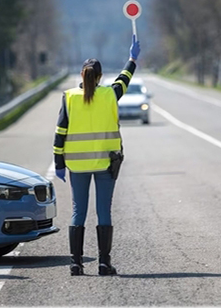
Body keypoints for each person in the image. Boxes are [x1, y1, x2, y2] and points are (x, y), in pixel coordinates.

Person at [53, 35, 140, 276]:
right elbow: (125, 79)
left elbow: (60, 133)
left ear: (82, 75)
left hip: (76, 166)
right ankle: (104, 263)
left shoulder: (69, 97)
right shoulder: (110, 94)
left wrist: (59, 163)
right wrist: (132, 59)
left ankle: (75, 264)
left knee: (77, 212)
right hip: (105, 164)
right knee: (104, 211)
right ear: (100, 77)